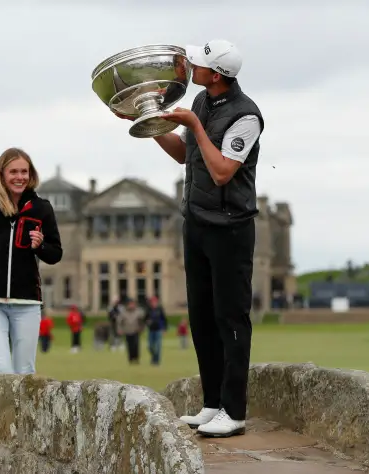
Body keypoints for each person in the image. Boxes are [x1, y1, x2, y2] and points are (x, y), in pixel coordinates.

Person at [115, 39, 263, 438]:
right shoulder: (201, 102)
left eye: (197, 65)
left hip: (230, 227)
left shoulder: (246, 116)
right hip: (196, 222)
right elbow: (184, 154)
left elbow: (221, 172)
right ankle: (213, 403)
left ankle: (234, 411)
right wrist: (146, 123)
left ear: (216, 75)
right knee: (201, 315)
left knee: (231, 318)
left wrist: (194, 125)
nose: (189, 68)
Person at [0, 147, 63, 374]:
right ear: (2, 175)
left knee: (24, 372)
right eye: (14, 172)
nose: (20, 177)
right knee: (1, 371)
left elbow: (56, 254)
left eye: (24, 172)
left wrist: (41, 246)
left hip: (27, 303)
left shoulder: (42, 208)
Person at [116, 298, 145, 364]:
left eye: (133, 304)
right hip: (127, 331)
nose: (132, 306)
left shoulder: (138, 312)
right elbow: (119, 322)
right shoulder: (123, 313)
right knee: (129, 346)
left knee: (136, 345)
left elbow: (142, 321)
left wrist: (142, 328)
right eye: (130, 304)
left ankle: (136, 358)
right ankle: (131, 359)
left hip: (136, 331)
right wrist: (119, 329)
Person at [144, 296, 168, 365]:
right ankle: (153, 357)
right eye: (152, 302)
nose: (154, 303)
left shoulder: (160, 309)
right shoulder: (148, 310)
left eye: (155, 302)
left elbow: (164, 319)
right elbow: (145, 319)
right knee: (150, 346)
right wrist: (147, 322)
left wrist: (164, 329)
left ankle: (156, 361)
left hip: (158, 330)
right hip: (151, 330)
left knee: (158, 346)